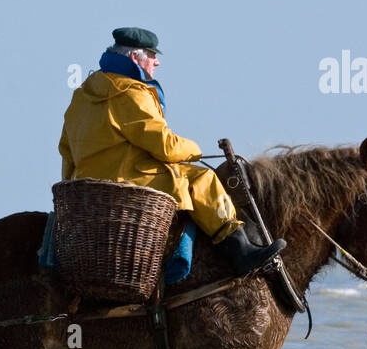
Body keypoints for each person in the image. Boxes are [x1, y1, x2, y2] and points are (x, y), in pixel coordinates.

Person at [58, 27, 285, 276]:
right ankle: (241, 251)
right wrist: (195, 150)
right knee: (202, 179)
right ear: (135, 58)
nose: (157, 62)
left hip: (87, 188)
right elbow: (165, 146)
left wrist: (74, 185)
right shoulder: (131, 93)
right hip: (126, 184)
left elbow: (66, 152)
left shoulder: (81, 95)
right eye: (152, 55)